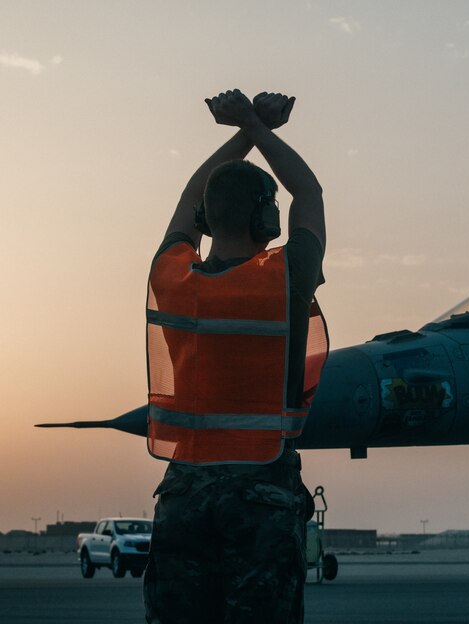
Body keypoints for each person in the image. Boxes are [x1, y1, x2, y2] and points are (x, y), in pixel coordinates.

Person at [143, 89, 328, 624]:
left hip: (184, 493)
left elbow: (186, 197)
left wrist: (242, 132)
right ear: (268, 220)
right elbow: (309, 191)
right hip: (262, 492)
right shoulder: (285, 278)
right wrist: (258, 124)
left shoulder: (172, 279)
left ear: (205, 216)